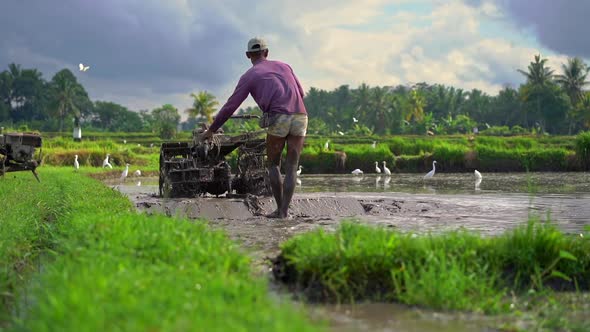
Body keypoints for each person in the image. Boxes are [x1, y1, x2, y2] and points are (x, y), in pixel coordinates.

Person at [201, 37, 308, 219]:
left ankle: (280, 211)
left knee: (273, 164)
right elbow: (302, 93)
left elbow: (230, 106)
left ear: (248, 55)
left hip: (278, 116)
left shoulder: (249, 76)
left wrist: (211, 130)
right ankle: (284, 211)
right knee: (292, 167)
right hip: (301, 115)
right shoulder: (285, 66)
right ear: (266, 53)